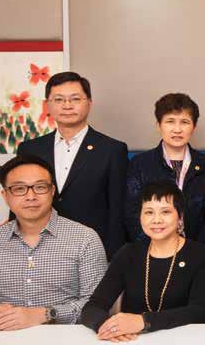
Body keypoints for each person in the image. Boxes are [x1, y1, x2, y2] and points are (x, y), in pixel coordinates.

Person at [0, 155, 107, 328]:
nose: (31, 196)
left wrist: (45, 314)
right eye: (19, 188)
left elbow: (97, 306)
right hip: (4, 338)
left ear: (52, 191)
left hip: (65, 339)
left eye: (40, 187)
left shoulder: (85, 239)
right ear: (5, 196)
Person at [81, 180, 205, 342]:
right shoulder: (128, 254)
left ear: (180, 217)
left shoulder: (200, 254)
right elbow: (93, 307)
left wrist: (144, 321)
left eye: (165, 212)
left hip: (184, 342)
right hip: (134, 341)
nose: (156, 220)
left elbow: (198, 311)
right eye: (149, 212)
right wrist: (109, 328)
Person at [17, 71, 128, 258]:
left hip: (92, 250)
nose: (67, 106)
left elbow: (118, 210)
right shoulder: (30, 149)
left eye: (75, 99)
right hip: (37, 248)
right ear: (47, 105)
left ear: (89, 103)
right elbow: (18, 201)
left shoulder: (112, 150)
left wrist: (113, 258)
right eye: (59, 99)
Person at [125, 93, 205, 275]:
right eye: (170, 121)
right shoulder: (140, 164)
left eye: (184, 122)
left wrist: (194, 251)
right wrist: (157, 251)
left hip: (199, 257)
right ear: (158, 125)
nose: (177, 129)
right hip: (152, 257)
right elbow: (132, 213)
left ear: (194, 127)